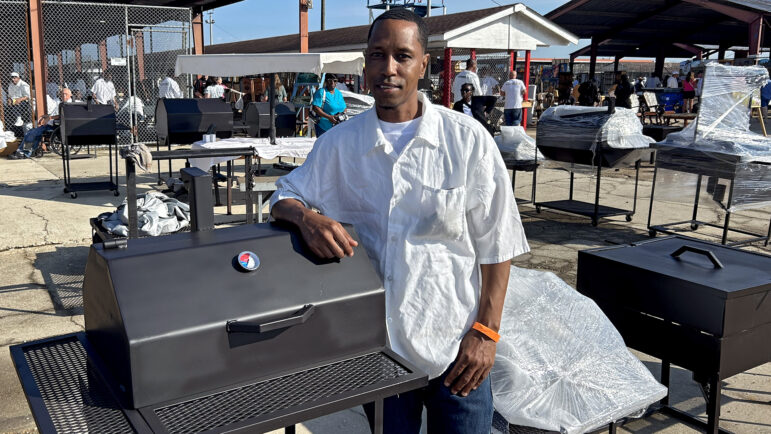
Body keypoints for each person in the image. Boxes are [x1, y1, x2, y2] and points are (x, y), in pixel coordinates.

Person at [270, 9, 528, 433]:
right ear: (365, 61)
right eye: (377, 55)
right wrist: (306, 218)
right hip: (380, 355)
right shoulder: (339, 146)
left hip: (457, 352)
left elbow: (498, 243)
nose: (388, 68)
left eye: (402, 56)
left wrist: (486, 333)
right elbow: (283, 195)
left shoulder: (465, 141)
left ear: (424, 64)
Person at [9, 88, 71, 159]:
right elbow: (57, 114)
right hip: (51, 124)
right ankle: (27, 150)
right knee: (31, 132)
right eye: (62, 94)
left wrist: (50, 118)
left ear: (70, 95)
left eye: (65, 94)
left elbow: (63, 115)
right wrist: (46, 116)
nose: (63, 96)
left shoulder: (69, 104)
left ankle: (25, 152)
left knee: (32, 133)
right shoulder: (61, 103)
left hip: (56, 126)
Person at [5, 72, 31, 138]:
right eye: (12, 78)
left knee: (27, 122)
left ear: (18, 78)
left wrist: (19, 99)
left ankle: (19, 118)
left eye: (14, 78)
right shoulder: (10, 85)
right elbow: (9, 96)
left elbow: (28, 96)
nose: (13, 79)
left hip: (24, 102)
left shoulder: (24, 84)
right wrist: (9, 100)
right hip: (14, 101)